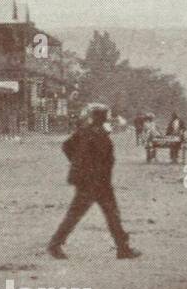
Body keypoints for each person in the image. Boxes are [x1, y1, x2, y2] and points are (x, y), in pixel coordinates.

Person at [48, 106, 140, 260]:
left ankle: (122, 248)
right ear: (102, 117)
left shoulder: (85, 131)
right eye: (106, 116)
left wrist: (76, 164)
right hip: (97, 183)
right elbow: (105, 161)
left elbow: (66, 146)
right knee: (109, 215)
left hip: (90, 181)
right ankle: (122, 248)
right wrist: (82, 166)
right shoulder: (100, 135)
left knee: (85, 214)